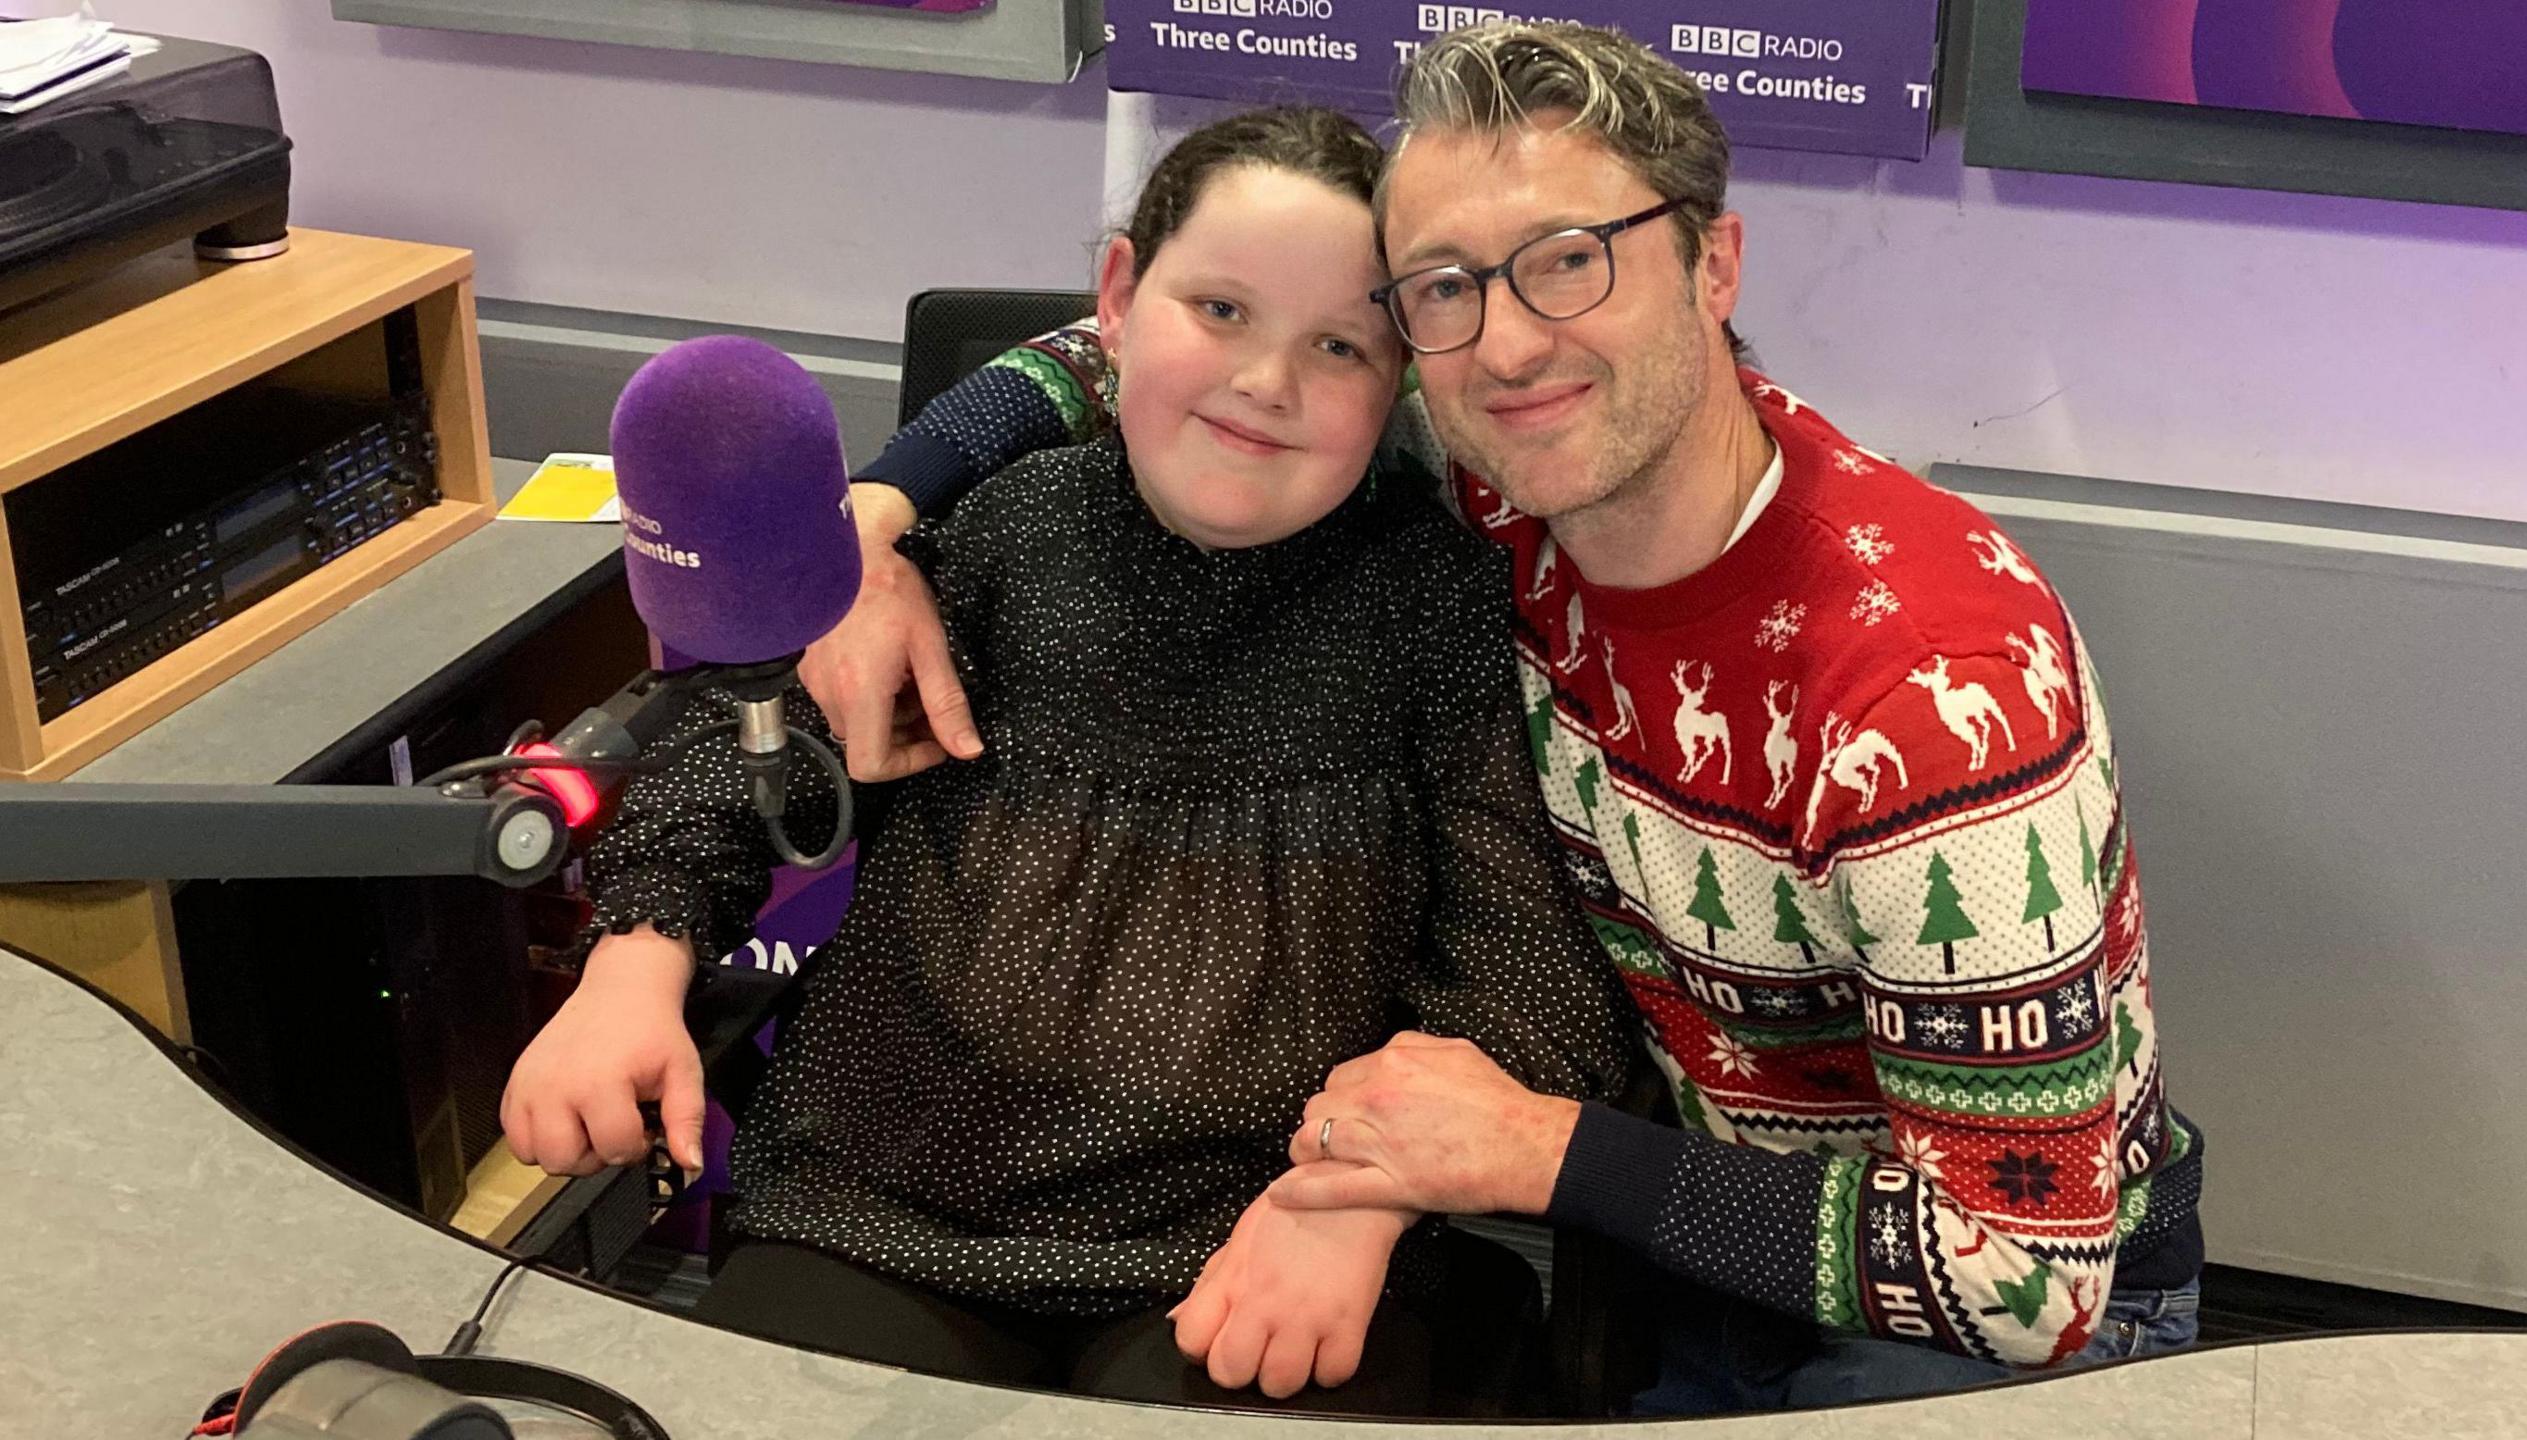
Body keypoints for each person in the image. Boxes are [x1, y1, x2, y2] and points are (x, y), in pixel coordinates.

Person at [803, 21, 2206, 1415]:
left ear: (1713, 263)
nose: (1512, 343)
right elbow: (1165, 339)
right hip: (1685, 1242)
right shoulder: (1514, 493)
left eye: (1570, 261)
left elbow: (2028, 1278)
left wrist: (1526, 1153)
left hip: (1980, 1323)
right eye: (1445, 290)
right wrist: (870, 523)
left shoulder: (1926, 694)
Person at [499, 105, 1631, 1414]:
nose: (1268, 382)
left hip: (1260, 1230)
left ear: (1404, 387)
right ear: (1118, 297)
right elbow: (740, 756)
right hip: (886, 1208)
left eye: (1338, 345)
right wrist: (633, 974)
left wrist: (1358, 1202)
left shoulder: (1441, 604)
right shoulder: (992, 535)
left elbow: (1530, 985)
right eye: (1219, 310)